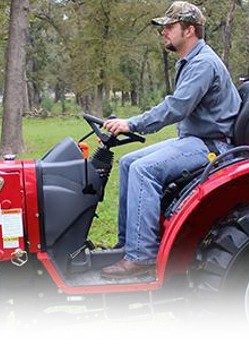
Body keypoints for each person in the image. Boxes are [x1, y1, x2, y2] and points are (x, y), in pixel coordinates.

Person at [100, 1, 240, 280]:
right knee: (129, 162)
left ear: (189, 30)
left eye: (169, 26)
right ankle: (128, 245)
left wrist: (132, 123)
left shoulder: (203, 64)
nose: (163, 31)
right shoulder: (190, 61)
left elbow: (176, 107)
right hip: (196, 138)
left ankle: (141, 257)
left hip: (212, 145)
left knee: (144, 169)